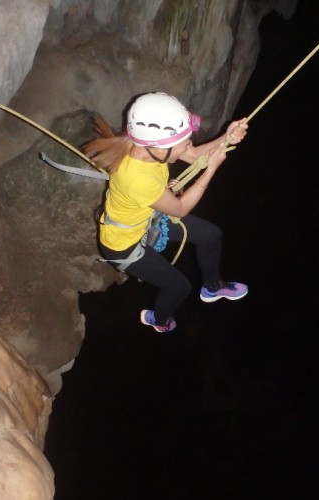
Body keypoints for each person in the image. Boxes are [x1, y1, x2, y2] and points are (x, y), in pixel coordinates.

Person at [84, 92, 249, 333]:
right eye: (182, 142)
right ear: (157, 147)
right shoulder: (137, 178)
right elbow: (180, 208)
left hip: (145, 219)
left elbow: (193, 156)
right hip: (123, 245)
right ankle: (159, 320)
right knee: (179, 286)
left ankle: (212, 287)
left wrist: (227, 137)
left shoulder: (145, 147)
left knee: (211, 235)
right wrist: (210, 170)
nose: (188, 144)